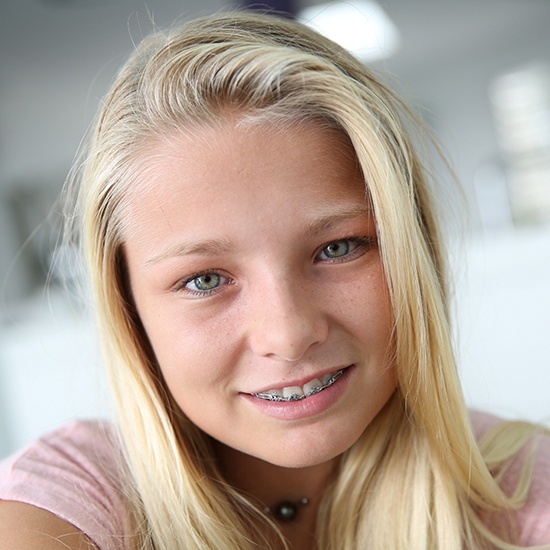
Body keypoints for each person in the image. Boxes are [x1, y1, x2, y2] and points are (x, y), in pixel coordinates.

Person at [0, 10, 549, 550]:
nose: (287, 335)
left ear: (413, 254)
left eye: (337, 248)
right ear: (130, 309)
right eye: (204, 279)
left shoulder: (524, 491)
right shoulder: (68, 503)